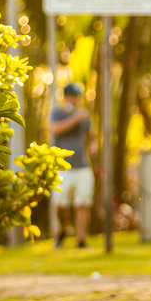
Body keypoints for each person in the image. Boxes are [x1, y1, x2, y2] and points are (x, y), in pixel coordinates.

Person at [50, 81, 94, 248]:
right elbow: (55, 130)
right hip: (63, 166)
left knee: (83, 203)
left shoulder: (84, 115)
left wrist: (94, 145)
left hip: (82, 165)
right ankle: (63, 229)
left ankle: (81, 239)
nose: (77, 100)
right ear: (67, 97)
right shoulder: (58, 113)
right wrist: (75, 117)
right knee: (60, 204)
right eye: (74, 97)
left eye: (79, 97)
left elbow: (91, 134)